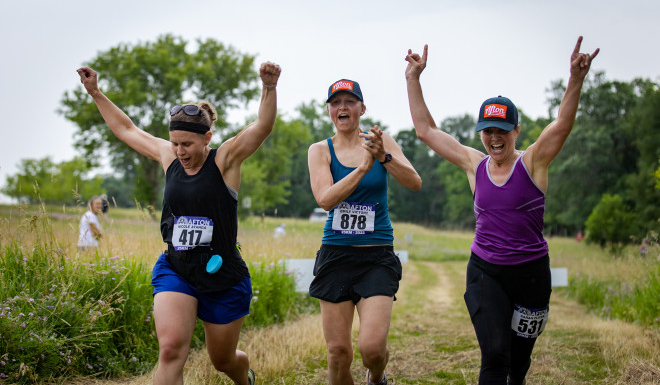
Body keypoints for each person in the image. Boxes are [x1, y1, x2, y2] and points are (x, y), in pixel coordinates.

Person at [404, 37, 598, 385]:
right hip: (486, 273)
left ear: (516, 130)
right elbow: (426, 130)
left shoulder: (533, 162)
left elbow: (562, 126)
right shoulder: (473, 165)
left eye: (502, 131)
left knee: (518, 366)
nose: (494, 138)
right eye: (488, 131)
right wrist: (413, 79)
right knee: (495, 356)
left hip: (532, 276)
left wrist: (575, 80)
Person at [76, 61, 281, 385]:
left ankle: (245, 377)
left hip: (222, 275)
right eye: (175, 143)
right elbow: (128, 130)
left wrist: (268, 87)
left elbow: (262, 126)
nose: (180, 151)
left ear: (207, 138)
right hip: (177, 267)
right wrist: (96, 93)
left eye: (187, 144)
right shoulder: (169, 157)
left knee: (223, 360)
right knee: (171, 350)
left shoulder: (225, 160)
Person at [307, 79, 422, 385]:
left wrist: (383, 156)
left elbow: (414, 182)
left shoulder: (381, 142)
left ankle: (377, 376)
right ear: (330, 110)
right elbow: (326, 199)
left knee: (372, 348)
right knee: (338, 353)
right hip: (336, 256)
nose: (342, 108)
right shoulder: (320, 150)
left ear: (362, 108)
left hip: (376, 257)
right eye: (336, 103)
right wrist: (361, 168)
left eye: (349, 102)